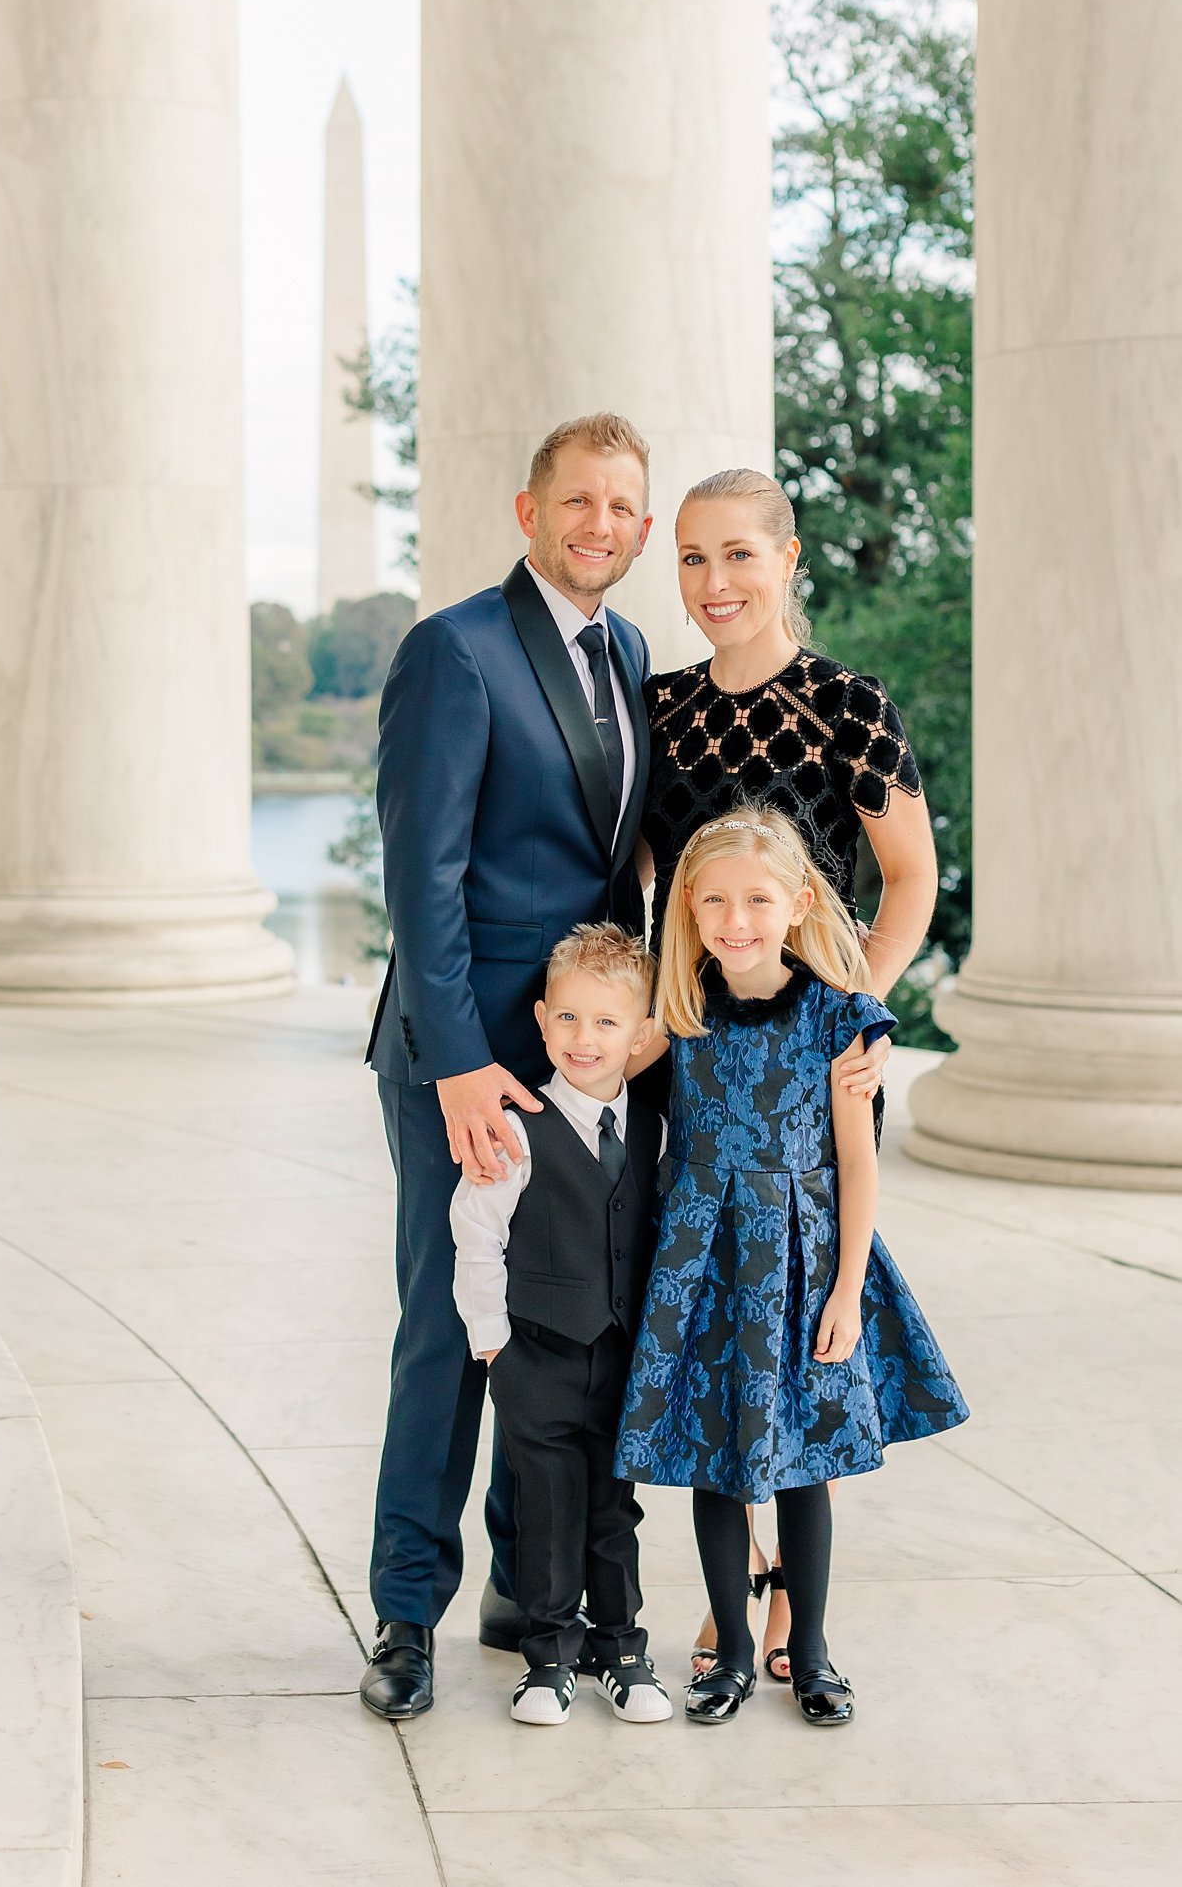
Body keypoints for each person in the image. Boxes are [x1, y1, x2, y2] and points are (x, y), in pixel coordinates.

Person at [358, 413, 655, 1721]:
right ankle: (404, 1611)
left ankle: (528, 1594)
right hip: (466, 1046)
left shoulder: (630, 648)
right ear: (529, 512)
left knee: (552, 1328)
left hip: (582, 1054)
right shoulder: (456, 650)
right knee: (452, 1328)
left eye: (623, 507)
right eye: (578, 500)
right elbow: (419, 881)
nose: (601, 524)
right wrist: (459, 1063)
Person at [639, 466, 940, 1680]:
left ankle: (786, 1606)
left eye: (739, 557)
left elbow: (910, 876)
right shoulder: (660, 706)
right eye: (695, 560)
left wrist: (863, 1004)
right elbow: (651, 884)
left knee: (798, 1298)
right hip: (701, 1040)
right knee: (717, 1308)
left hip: (813, 1049)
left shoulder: (847, 704)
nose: (716, 584)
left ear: (789, 557)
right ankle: (740, 1565)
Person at [616, 806, 969, 1727]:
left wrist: (849, 1287)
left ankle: (808, 1649)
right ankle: (730, 1651)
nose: (737, 919)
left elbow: (858, 1160)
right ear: (687, 909)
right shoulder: (678, 1010)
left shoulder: (836, 1018)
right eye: (716, 901)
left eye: (758, 900)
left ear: (799, 902)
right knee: (711, 1457)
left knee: (808, 1458)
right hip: (700, 1261)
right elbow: (601, 1063)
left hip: (803, 1260)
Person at [450, 923, 672, 1726]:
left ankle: (622, 1648)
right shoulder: (515, 1126)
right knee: (547, 1506)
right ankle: (547, 1658)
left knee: (615, 1508)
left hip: (623, 1357)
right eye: (569, 1020)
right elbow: (477, 1234)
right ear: (542, 1021)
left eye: (608, 1023)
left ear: (641, 1034)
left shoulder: (653, 1126)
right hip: (534, 1355)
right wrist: (492, 1344)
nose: (585, 1039)